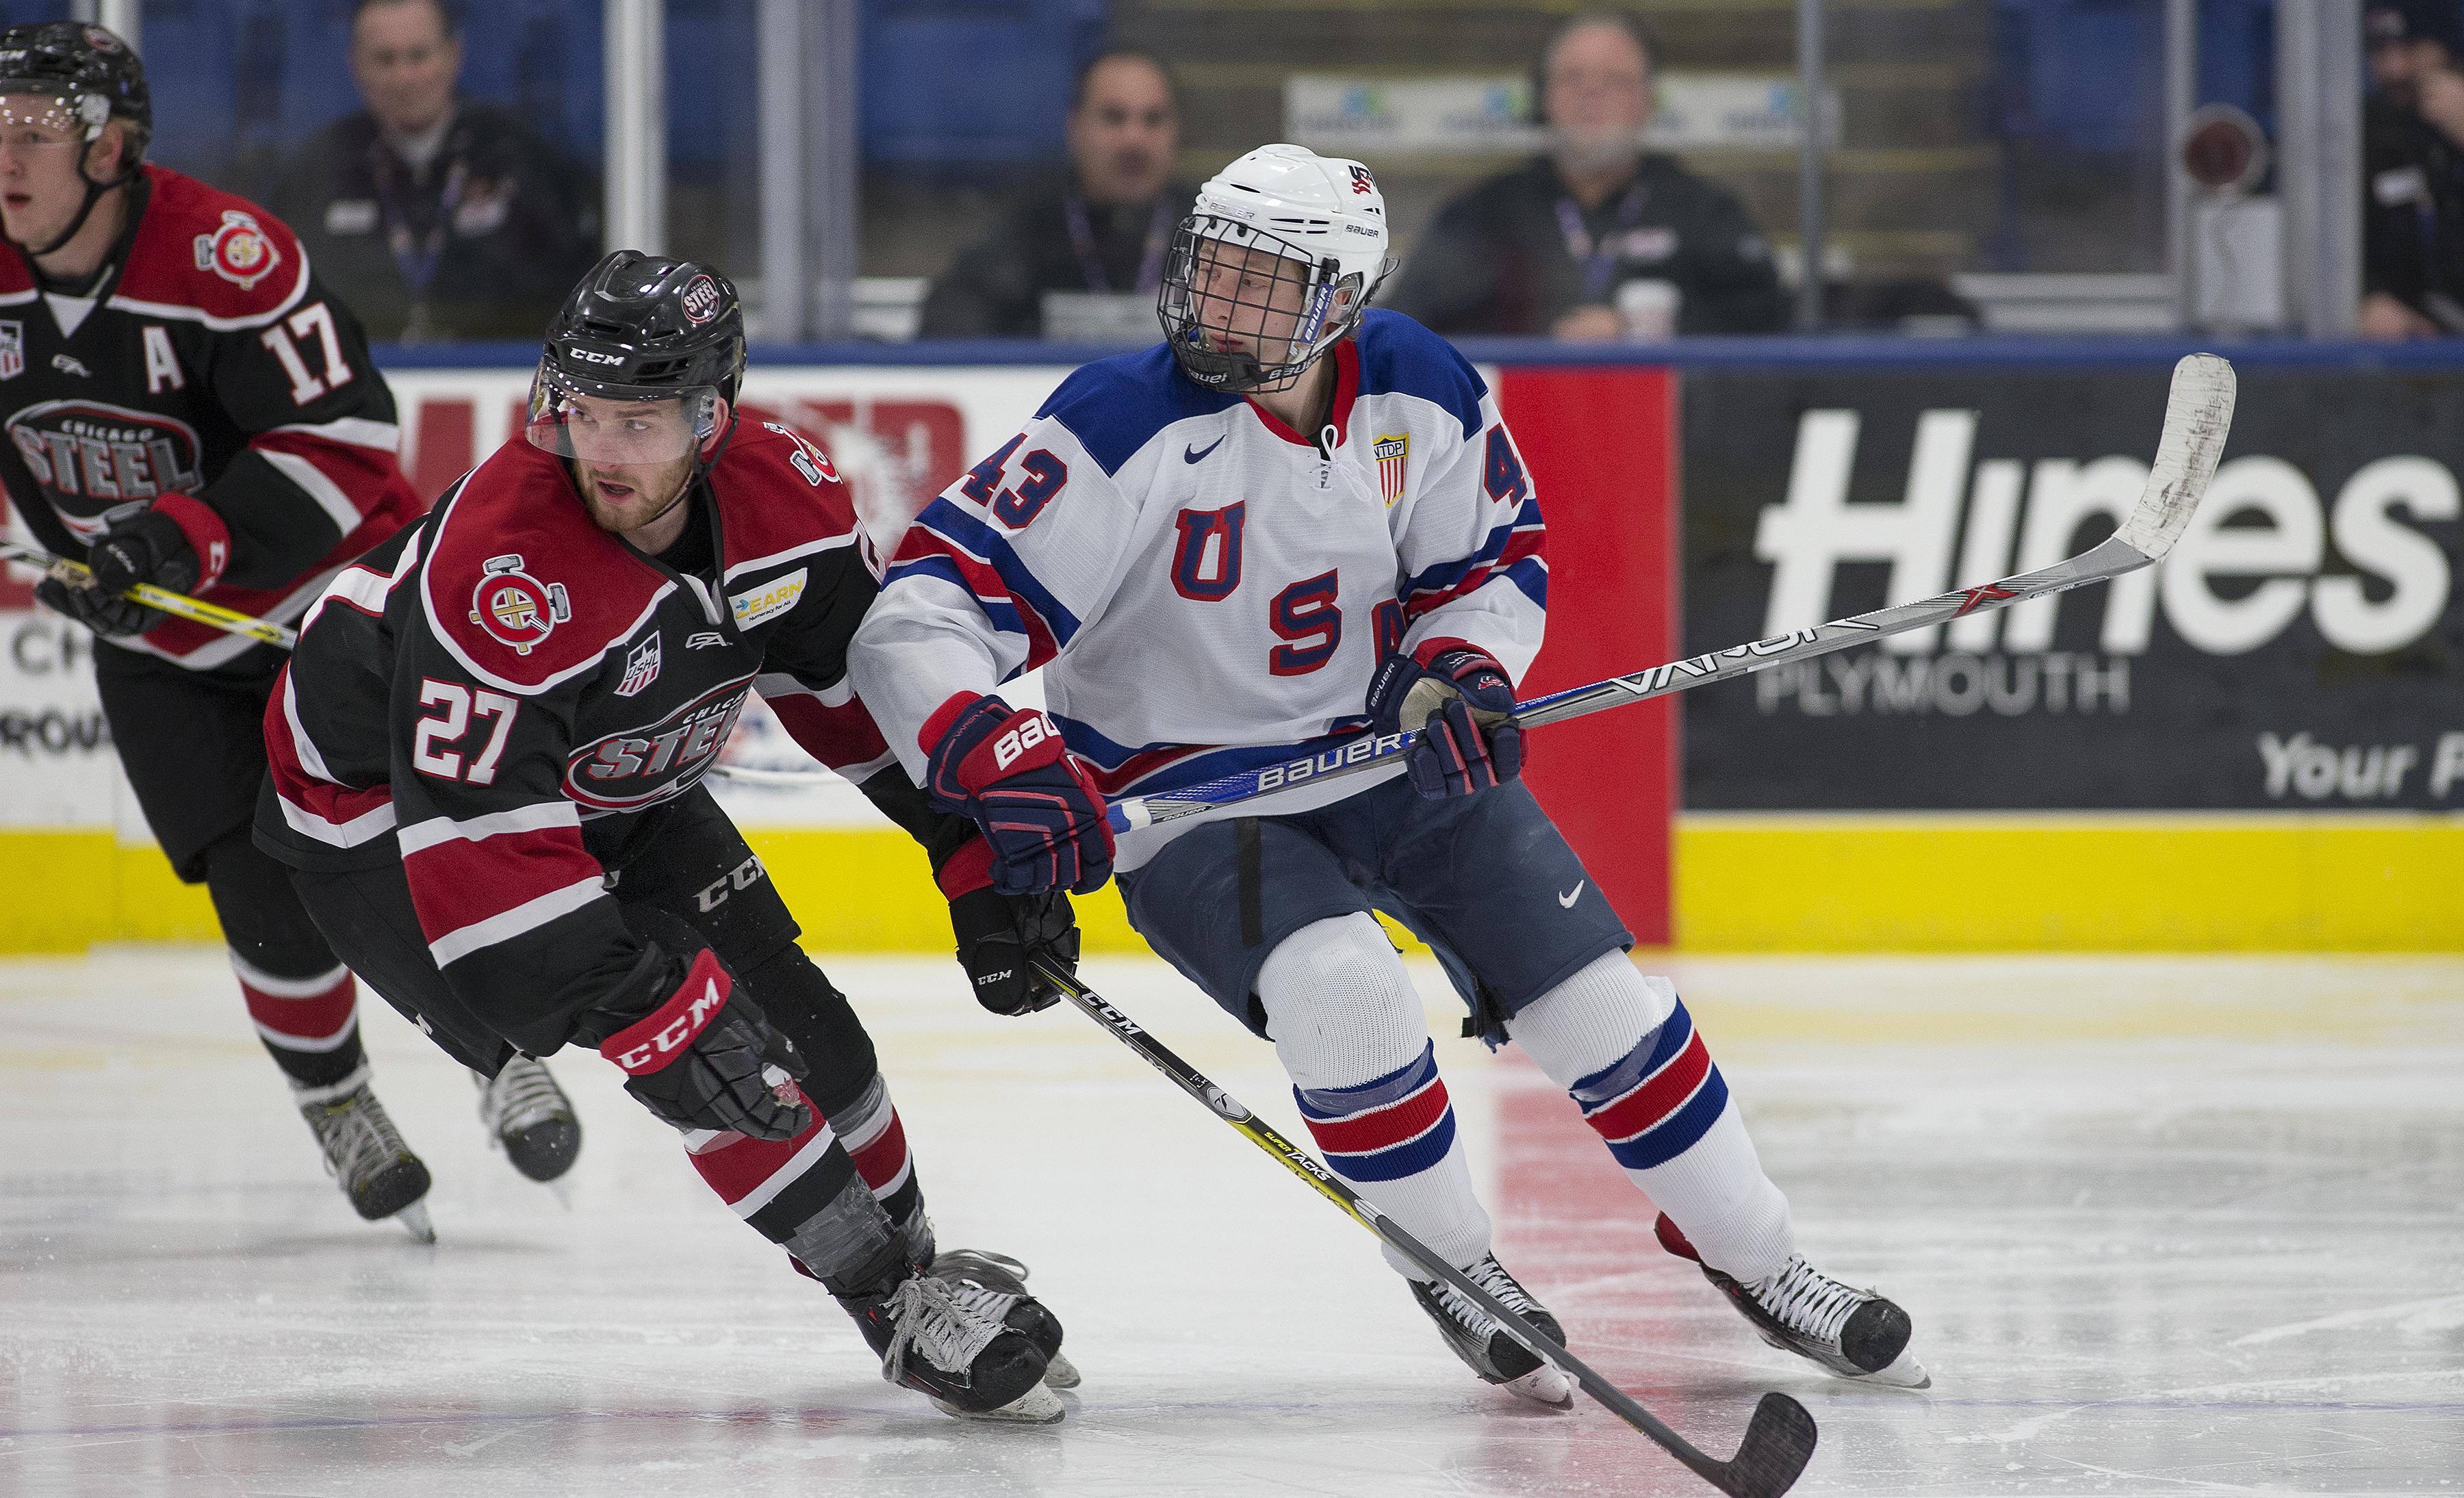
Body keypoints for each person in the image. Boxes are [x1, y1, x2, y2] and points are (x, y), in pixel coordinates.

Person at [849, 142, 1925, 1408]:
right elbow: (916, 617)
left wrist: (1455, 672)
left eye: (1264, 284)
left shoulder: (1417, 380)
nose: (1218, 305)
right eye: (1212, 268)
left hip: (1383, 756)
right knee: (1344, 989)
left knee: (1600, 1001)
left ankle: (1761, 1257)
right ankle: (1461, 1268)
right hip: (1194, 799)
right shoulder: (1117, 425)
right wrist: (993, 744)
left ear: (1340, 301)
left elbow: (1485, 560)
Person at [253, 250, 1079, 1423]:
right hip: (385, 823)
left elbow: (842, 685)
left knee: (815, 1037)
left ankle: (923, 1268)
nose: (601, 449)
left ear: (711, 414)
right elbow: (504, 913)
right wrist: (656, 1017)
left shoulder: (783, 488)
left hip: (611, 782)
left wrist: (961, 842)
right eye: (581, 411)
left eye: (639, 420)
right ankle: (892, 1306)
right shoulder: (503, 575)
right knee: (717, 1060)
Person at [0, 21, 578, 1237]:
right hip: (159, 645)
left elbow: (347, 439)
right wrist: (78, 562)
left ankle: (494, 1050)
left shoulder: (223, 254)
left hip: (326, 616)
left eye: (35, 131)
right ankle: (338, 1101)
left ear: (111, 148)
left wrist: (166, 538)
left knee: (396, 856)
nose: (7, 156)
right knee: (259, 890)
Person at [1381, 12, 1785, 339]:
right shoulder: (1483, 213)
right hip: (1517, 423)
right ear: (1544, 97)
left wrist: (1643, 329)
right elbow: (1409, 324)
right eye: (1572, 79)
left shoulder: (1703, 209)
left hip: (1668, 428)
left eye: (1613, 81)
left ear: (1648, 100)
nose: (1590, 95)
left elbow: (1768, 322)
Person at [272, 0, 597, 343]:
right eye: (385, 60)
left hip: (501, 372)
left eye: (419, 56)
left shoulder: (520, 157)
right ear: (356, 66)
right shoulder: (320, 169)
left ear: (453, 56)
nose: (403, 77)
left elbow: (570, 288)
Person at [916, 49, 1192, 339]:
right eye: (1113, 118)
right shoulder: (1028, 229)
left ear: (1176, 131)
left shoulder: (1208, 229)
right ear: (1075, 128)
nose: (1134, 140)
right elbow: (949, 324)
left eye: (1153, 120)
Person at [2361, 0, 2464, 337]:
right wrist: (2364, 299)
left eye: (2410, 49)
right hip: (2416, 341)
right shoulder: (2366, 132)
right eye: (2380, 51)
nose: (2395, 69)